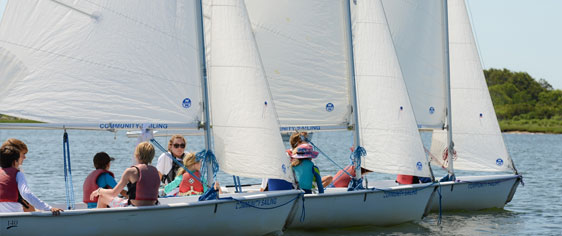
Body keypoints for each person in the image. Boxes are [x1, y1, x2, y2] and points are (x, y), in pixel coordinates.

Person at [0, 140, 63, 215]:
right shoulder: (18, 174)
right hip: (16, 219)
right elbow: (26, 193)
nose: (24, 157)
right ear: (15, 161)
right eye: (23, 154)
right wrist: (48, 208)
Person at [91, 142, 159, 207]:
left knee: (103, 197)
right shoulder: (155, 171)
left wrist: (100, 191)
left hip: (134, 206)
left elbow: (114, 193)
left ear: (137, 155)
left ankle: (99, 219)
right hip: (153, 205)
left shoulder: (130, 171)